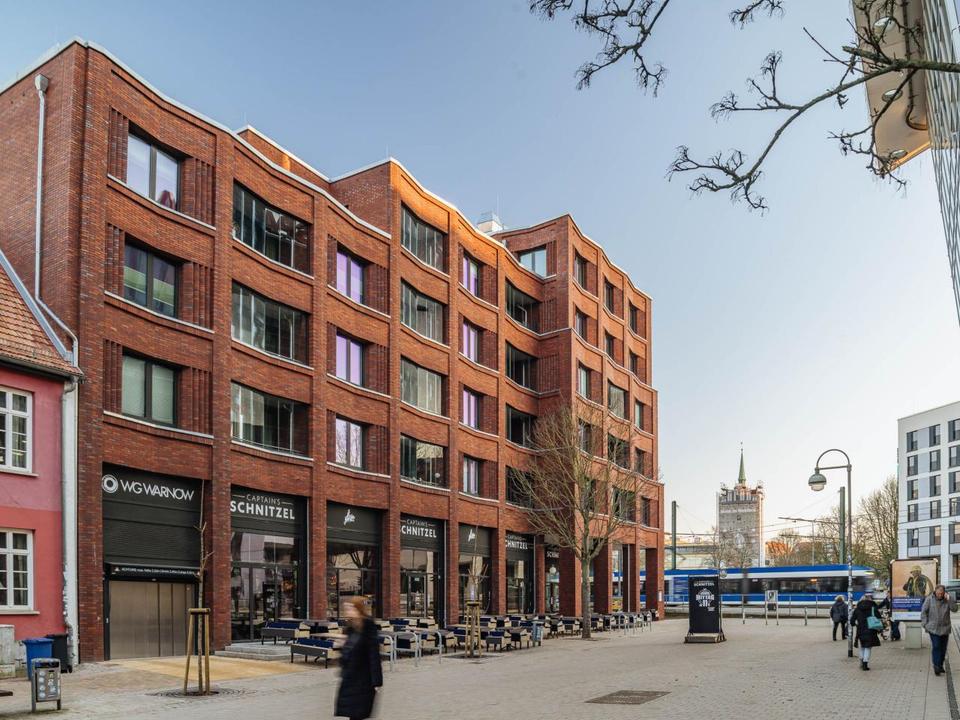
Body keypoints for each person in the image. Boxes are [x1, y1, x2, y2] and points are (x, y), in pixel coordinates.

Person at [335, 596, 383, 720]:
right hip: (350, 679)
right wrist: (342, 646)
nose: (347, 611)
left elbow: (374, 654)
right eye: (346, 609)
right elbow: (346, 654)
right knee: (353, 714)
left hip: (363, 680)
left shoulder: (368, 626)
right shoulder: (350, 627)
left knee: (358, 714)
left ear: (358, 609)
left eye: (350, 608)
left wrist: (376, 681)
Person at [920, 584, 958, 676]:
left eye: (941, 593)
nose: (940, 595)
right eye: (938, 593)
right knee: (936, 646)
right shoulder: (929, 599)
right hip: (933, 628)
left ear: (944, 593)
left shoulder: (948, 599)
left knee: (943, 648)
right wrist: (925, 624)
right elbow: (924, 612)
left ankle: (940, 665)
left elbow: (955, 609)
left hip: (945, 628)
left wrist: (949, 599)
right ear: (935, 592)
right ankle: (936, 666)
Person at [851, 591, 882, 671]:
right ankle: (865, 664)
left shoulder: (857, 609)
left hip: (860, 630)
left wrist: (856, 624)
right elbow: (879, 618)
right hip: (871, 630)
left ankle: (861, 662)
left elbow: (852, 621)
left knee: (862, 646)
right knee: (868, 647)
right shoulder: (873, 608)